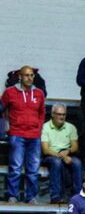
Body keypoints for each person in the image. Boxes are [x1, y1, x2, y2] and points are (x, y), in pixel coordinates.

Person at [2, 66, 46, 203]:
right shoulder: (9, 92)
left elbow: (42, 113)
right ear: (20, 76)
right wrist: (7, 126)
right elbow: (1, 109)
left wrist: (38, 129)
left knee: (33, 169)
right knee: (15, 167)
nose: (29, 78)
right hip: (17, 134)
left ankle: (31, 196)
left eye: (32, 75)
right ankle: (12, 195)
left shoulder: (39, 93)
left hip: (34, 136)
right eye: (26, 75)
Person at [41, 104, 82, 204]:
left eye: (64, 114)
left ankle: (79, 196)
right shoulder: (45, 127)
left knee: (77, 162)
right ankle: (55, 196)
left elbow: (75, 147)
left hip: (66, 152)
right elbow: (45, 150)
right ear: (52, 114)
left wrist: (67, 152)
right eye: (59, 114)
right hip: (50, 155)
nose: (62, 117)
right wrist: (62, 157)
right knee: (56, 163)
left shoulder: (71, 127)